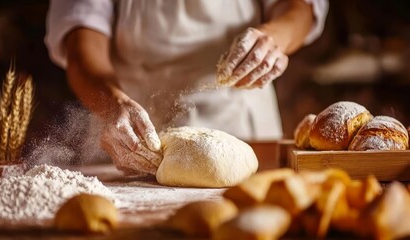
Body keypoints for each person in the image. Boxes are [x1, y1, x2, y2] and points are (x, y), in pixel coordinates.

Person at [45, 0, 328, 175]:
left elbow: (298, 7)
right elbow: (82, 41)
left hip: (241, 126)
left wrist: (274, 38)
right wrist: (111, 103)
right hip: (129, 135)